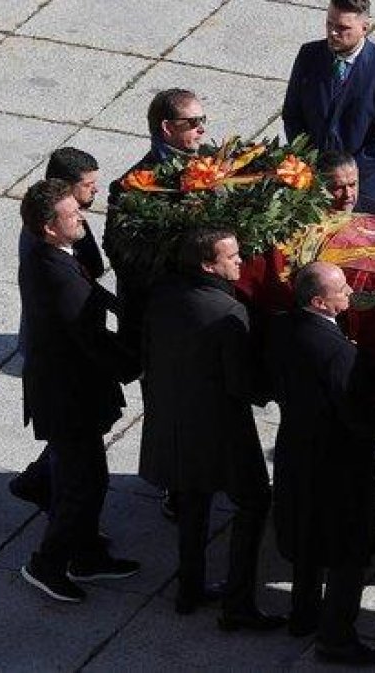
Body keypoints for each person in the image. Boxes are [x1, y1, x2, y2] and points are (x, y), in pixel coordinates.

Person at [139, 229, 284, 631]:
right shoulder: (227, 312)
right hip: (221, 427)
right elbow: (241, 385)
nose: (240, 262)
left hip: (175, 418)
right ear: (208, 265)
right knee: (254, 502)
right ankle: (239, 603)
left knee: (192, 501)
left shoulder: (164, 295)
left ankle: (189, 589)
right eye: (231, 257)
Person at [16, 179, 141, 603]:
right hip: (67, 398)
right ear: (50, 227)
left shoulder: (53, 257)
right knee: (80, 485)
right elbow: (90, 338)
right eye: (72, 215)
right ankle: (47, 564)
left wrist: (122, 307)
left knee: (90, 478)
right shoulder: (57, 273)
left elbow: (89, 291)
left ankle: (86, 555)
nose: (82, 217)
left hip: (69, 392)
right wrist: (135, 363)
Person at [266, 261, 375, 664]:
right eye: (342, 289)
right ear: (319, 302)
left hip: (297, 449)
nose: (350, 292)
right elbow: (355, 414)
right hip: (338, 465)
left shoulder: (282, 328)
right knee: (348, 551)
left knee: (307, 536)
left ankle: (303, 614)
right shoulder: (338, 352)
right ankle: (337, 637)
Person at [104, 88, 210, 521]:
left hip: (203, 317)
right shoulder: (134, 187)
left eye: (203, 121)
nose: (202, 130)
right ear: (167, 128)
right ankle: (177, 487)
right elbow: (121, 254)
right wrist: (179, 260)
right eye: (192, 123)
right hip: (161, 323)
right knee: (169, 408)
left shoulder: (212, 167)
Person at [11, 147, 109, 515]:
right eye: (88, 185)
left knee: (72, 441)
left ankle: (39, 482)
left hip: (57, 343)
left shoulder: (63, 221)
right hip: (54, 351)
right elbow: (85, 275)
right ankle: (49, 496)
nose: (95, 191)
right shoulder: (49, 241)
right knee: (73, 444)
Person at [283, 0, 375, 218]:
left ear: (364, 28)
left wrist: (345, 174)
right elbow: (293, 114)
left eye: (342, 28)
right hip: (318, 186)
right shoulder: (309, 55)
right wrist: (310, 164)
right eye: (329, 24)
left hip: (371, 192)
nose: (333, 33)